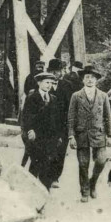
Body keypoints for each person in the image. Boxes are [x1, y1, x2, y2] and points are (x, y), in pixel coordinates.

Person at [68, 65, 111, 202]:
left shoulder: (103, 96)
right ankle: (85, 191)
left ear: (96, 80)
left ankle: (93, 182)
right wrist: (71, 136)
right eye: (87, 77)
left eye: (93, 77)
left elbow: (107, 116)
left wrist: (110, 135)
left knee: (101, 160)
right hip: (81, 133)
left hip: (99, 133)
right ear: (83, 79)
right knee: (83, 164)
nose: (90, 80)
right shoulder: (76, 96)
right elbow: (71, 117)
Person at [22, 72, 62, 190]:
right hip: (36, 135)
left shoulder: (53, 98)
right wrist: (30, 130)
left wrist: (58, 135)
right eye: (46, 82)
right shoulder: (32, 97)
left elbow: (57, 118)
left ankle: (45, 190)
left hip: (50, 137)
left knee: (48, 164)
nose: (49, 85)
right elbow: (27, 115)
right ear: (39, 83)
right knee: (36, 162)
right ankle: (30, 189)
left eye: (51, 83)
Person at [47, 58, 74, 188]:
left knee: (61, 151)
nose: (59, 73)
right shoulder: (44, 84)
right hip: (48, 124)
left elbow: (70, 105)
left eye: (60, 71)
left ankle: (55, 177)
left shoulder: (67, 85)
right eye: (56, 71)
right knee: (48, 149)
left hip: (63, 124)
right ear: (50, 71)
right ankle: (46, 175)